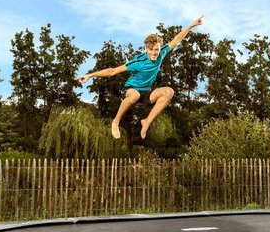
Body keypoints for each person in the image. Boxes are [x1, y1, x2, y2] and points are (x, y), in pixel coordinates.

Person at [76, 16, 204, 140]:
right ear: (146, 48)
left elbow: (177, 39)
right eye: (152, 50)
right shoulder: (138, 61)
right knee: (134, 95)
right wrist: (90, 75)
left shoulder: (161, 53)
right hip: (131, 89)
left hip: (146, 92)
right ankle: (116, 121)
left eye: (157, 50)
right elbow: (113, 71)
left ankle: (146, 121)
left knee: (169, 92)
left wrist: (192, 25)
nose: (154, 53)